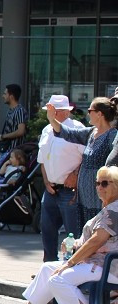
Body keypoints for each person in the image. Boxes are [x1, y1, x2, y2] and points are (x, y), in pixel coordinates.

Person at [2, 165, 118, 304]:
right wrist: (74, 243)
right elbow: (91, 239)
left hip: (107, 267)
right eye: (97, 183)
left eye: (104, 183)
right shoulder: (107, 208)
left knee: (58, 278)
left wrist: (70, 263)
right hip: (94, 263)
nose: (99, 187)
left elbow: (97, 241)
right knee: (48, 268)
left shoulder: (114, 210)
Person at [48, 94, 118, 224]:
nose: (88, 113)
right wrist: (52, 119)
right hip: (84, 198)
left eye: (90, 110)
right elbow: (68, 133)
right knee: (84, 234)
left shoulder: (113, 136)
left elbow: (112, 165)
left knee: (99, 234)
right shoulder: (91, 132)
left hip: (100, 198)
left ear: (99, 114)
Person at [37, 95, 86, 261]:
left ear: (64, 112)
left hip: (69, 189)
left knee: (72, 232)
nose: (51, 114)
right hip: (51, 188)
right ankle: (49, 265)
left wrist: (75, 175)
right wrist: (45, 180)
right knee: (47, 229)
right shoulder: (46, 130)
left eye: (54, 111)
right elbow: (42, 159)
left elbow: (87, 157)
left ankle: (72, 265)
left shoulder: (76, 128)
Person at [0, 84, 28, 154]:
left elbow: (21, 131)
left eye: (5, 94)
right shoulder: (10, 111)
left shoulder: (19, 111)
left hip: (15, 152)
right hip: (7, 150)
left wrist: (4, 136)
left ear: (11, 96)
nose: (3, 96)